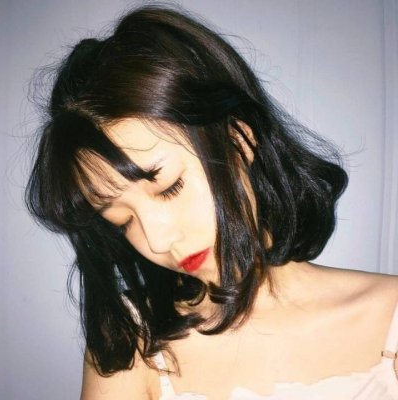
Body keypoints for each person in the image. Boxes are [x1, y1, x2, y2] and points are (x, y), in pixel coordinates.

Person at [26, 5, 398, 400]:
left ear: (239, 139)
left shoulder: (389, 318)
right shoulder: (132, 339)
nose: (157, 241)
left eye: (169, 187)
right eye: (123, 220)